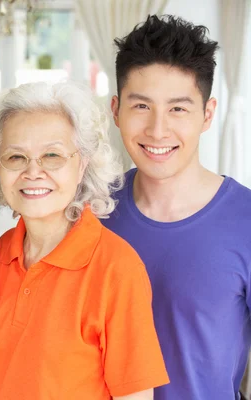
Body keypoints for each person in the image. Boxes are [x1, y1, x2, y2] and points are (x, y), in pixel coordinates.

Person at [0, 81, 170, 400]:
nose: (32, 172)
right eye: (15, 157)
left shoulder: (116, 268)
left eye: (52, 155)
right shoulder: (5, 247)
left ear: (82, 165)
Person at [104, 15, 251, 400]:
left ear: (207, 114)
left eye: (178, 109)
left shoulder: (247, 220)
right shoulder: (91, 211)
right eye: (141, 106)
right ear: (116, 110)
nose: (157, 130)